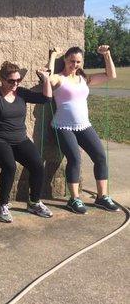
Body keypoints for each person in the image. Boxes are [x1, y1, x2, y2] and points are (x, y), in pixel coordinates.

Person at [48, 45, 119, 213]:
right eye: (72, 61)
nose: (75, 64)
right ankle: (74, 200)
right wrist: (52, 56)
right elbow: (47, 78)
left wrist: (106, 55)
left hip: (83, 125)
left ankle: (101, 198)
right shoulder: (59, 78)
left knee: (100, 156)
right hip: (62, 126)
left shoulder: (84, 79)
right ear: (65, 60)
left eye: (78, 61)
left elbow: (111, 75)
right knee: (74, 158)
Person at [0, 61, 53, 223]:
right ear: (3, 79)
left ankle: (34, 202)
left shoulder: (21, 93)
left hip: (20, 139)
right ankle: (2, 205)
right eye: (11, 81)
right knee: (10, 167)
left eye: (18, 80)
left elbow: (46, 99)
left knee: (37, 165)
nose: (15, 84)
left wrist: (46, 79)